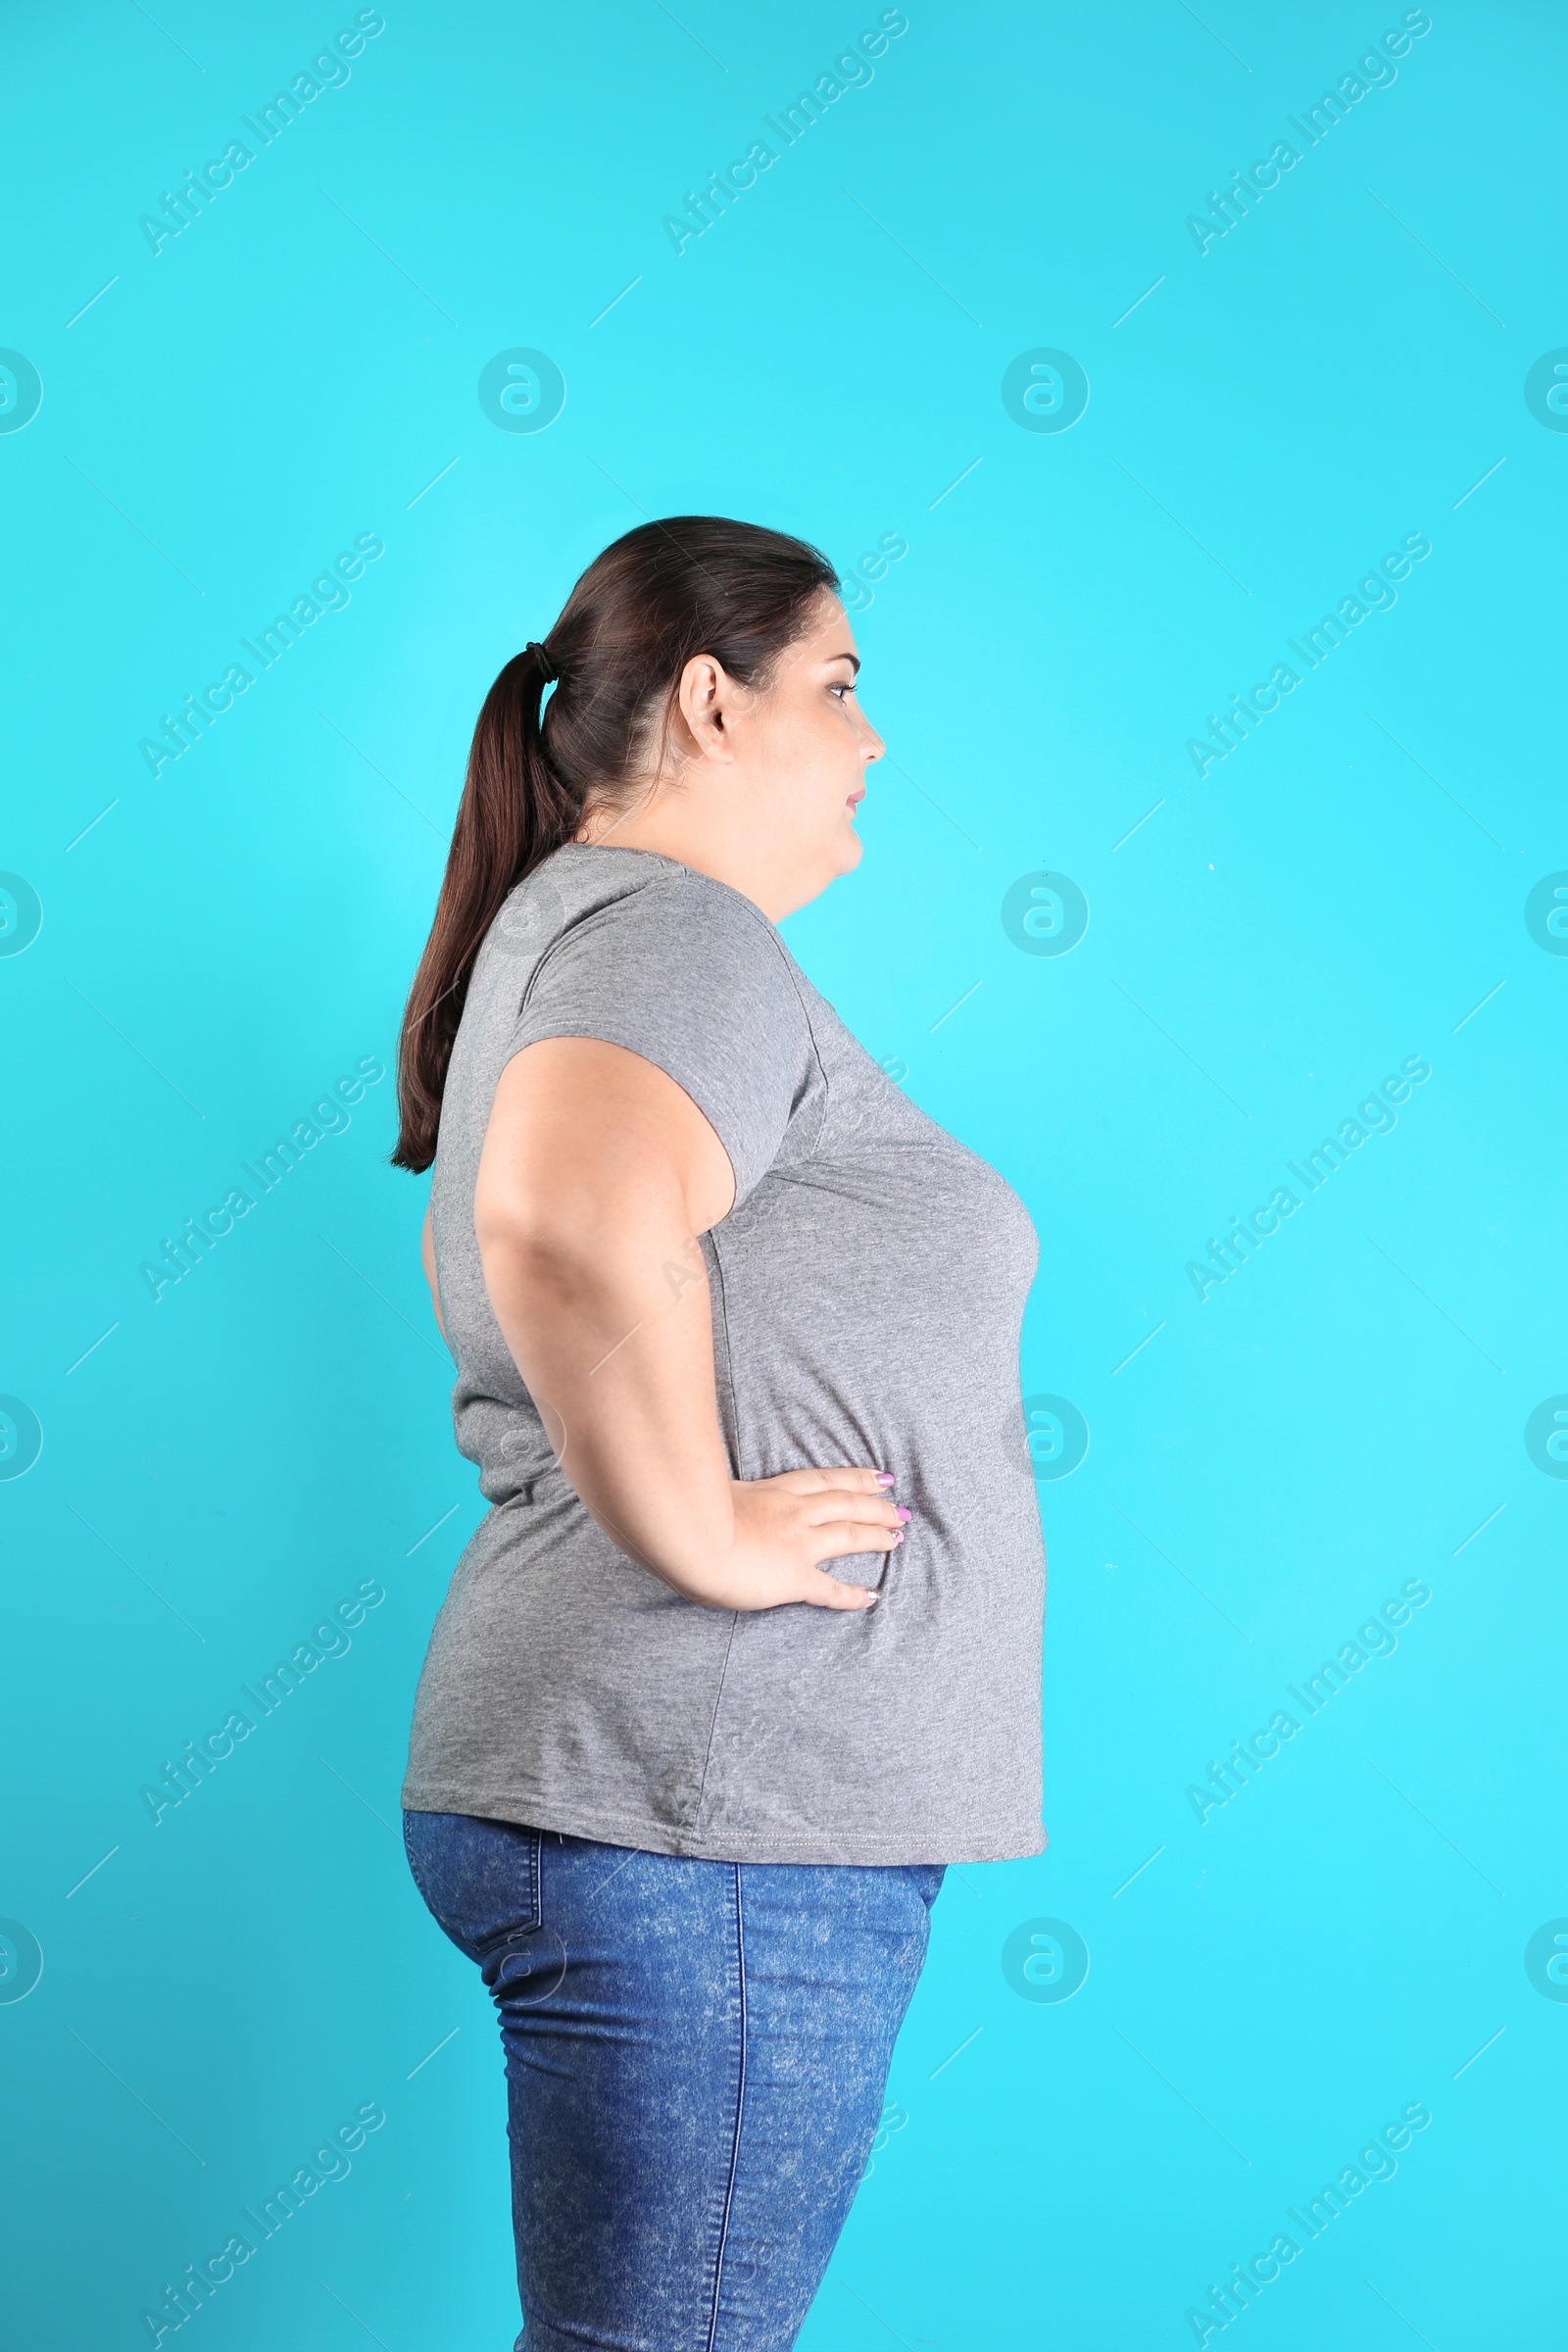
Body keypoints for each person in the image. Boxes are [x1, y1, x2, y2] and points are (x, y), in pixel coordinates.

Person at [391, 515, 1046, 2351]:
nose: (873, 740)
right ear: (708, 700)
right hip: (713, 1809)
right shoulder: (671, 930)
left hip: (672, 1803)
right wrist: (701, 1532)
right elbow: (567, 1217)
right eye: (839, 688)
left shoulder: (600, 935)